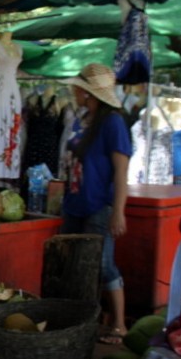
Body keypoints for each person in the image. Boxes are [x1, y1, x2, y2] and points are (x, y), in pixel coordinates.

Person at [59, 64, 133, 344]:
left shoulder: (112, 122)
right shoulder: (82, 119)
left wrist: (118, 212)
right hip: (74, 204)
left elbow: (121, 171)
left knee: (103, 265)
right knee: (74, 264)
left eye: (78, 87)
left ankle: (119, 325)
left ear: (88, 92)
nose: (74, 90)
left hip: (99, 205)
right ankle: (83, 322)